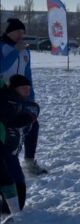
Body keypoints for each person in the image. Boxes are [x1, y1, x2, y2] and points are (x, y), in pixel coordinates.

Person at [0, 18, 47, 175]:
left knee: (32, 124)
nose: (21, 35)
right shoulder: (3, 47)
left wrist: (30, 95)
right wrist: (15, 52)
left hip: (22, 96)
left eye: (23, 32)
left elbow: (28, 74)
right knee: (8, 129)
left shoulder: (25, 50)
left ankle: (29, 162)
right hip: (4, 95)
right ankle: (7, 163)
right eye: (17, 31)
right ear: (9, 32)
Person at [0, 75, 39, 216]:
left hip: (12, 153)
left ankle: (10, 212)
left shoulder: (25, 105)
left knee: (17, 185)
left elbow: (34, 111)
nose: (27, 91)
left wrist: (29, 117)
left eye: (29, 88)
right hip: (3, 149)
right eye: (24, 89)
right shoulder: (5, 96)